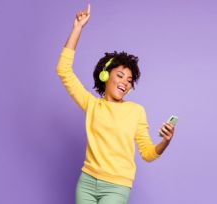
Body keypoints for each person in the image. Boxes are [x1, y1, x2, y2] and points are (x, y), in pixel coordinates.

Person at [55, 4, 175, 204]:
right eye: (120, 76)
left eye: (129, 80)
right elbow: (63, 70)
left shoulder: (135, 111)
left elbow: (147, 153)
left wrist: (165, 142)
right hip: (86, 182)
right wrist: (77, 28)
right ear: (105, 75)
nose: (125, 83)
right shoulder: (92, 105)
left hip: (117, 187)